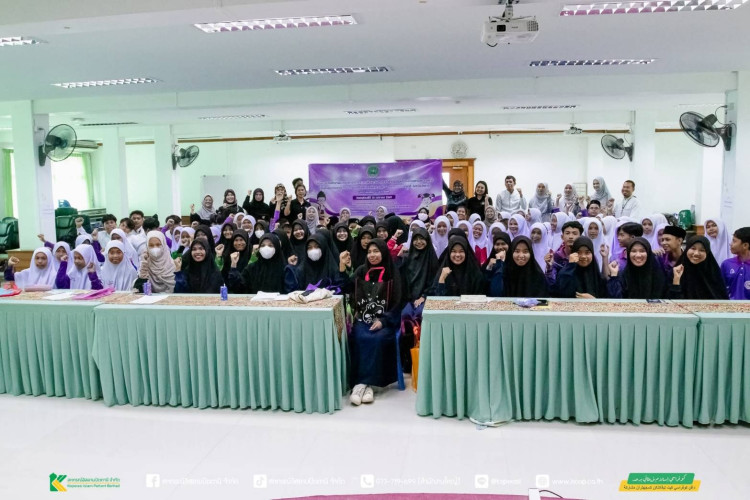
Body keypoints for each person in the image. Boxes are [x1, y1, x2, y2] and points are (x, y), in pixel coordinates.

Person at [343, 238, 404, 405]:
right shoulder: (361, 271)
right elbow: (346, 287)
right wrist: (343, 268)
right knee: (359, 336)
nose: (372, 255)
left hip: (385, 320)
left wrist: (384, 320)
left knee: (378, 338)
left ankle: (363, 384)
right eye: (369, 252)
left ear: (383, 252)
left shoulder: (393, 272)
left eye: (376, 251)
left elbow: (398, 301)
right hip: (363, 319)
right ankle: (365, 385)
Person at [400, 227, 439, 356]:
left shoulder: (432, 259)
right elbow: (402, 281)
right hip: (408, 299)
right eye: (416, 239)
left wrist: (424, 296)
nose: (418, 242)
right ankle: (408, 358)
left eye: (422, 239)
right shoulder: (407, 258)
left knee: (420, 316)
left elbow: (434, 282)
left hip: (426, 298)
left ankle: (425, 355)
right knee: (405, 316)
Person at [669, 236, 728, 300]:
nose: (696, 253)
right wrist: (676, 280)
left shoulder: (713, 273)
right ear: (687, 249)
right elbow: (671, 301)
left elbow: (723, 300)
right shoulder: (676, 272)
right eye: (693, 248)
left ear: (707, 253)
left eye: (702, 250)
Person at [720, 227, 750, 300]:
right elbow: (720, 289)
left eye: (734, 241)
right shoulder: (726, 264)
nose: (730, 244)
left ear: (745, 245)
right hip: (730, 306)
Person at [483, 233, 511, 297]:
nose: (500, 247)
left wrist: (501, 262)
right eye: (497, 244)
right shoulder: (490, 261)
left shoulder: (513, 262)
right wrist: (489, 267)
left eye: (503, 244)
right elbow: (484, 281)